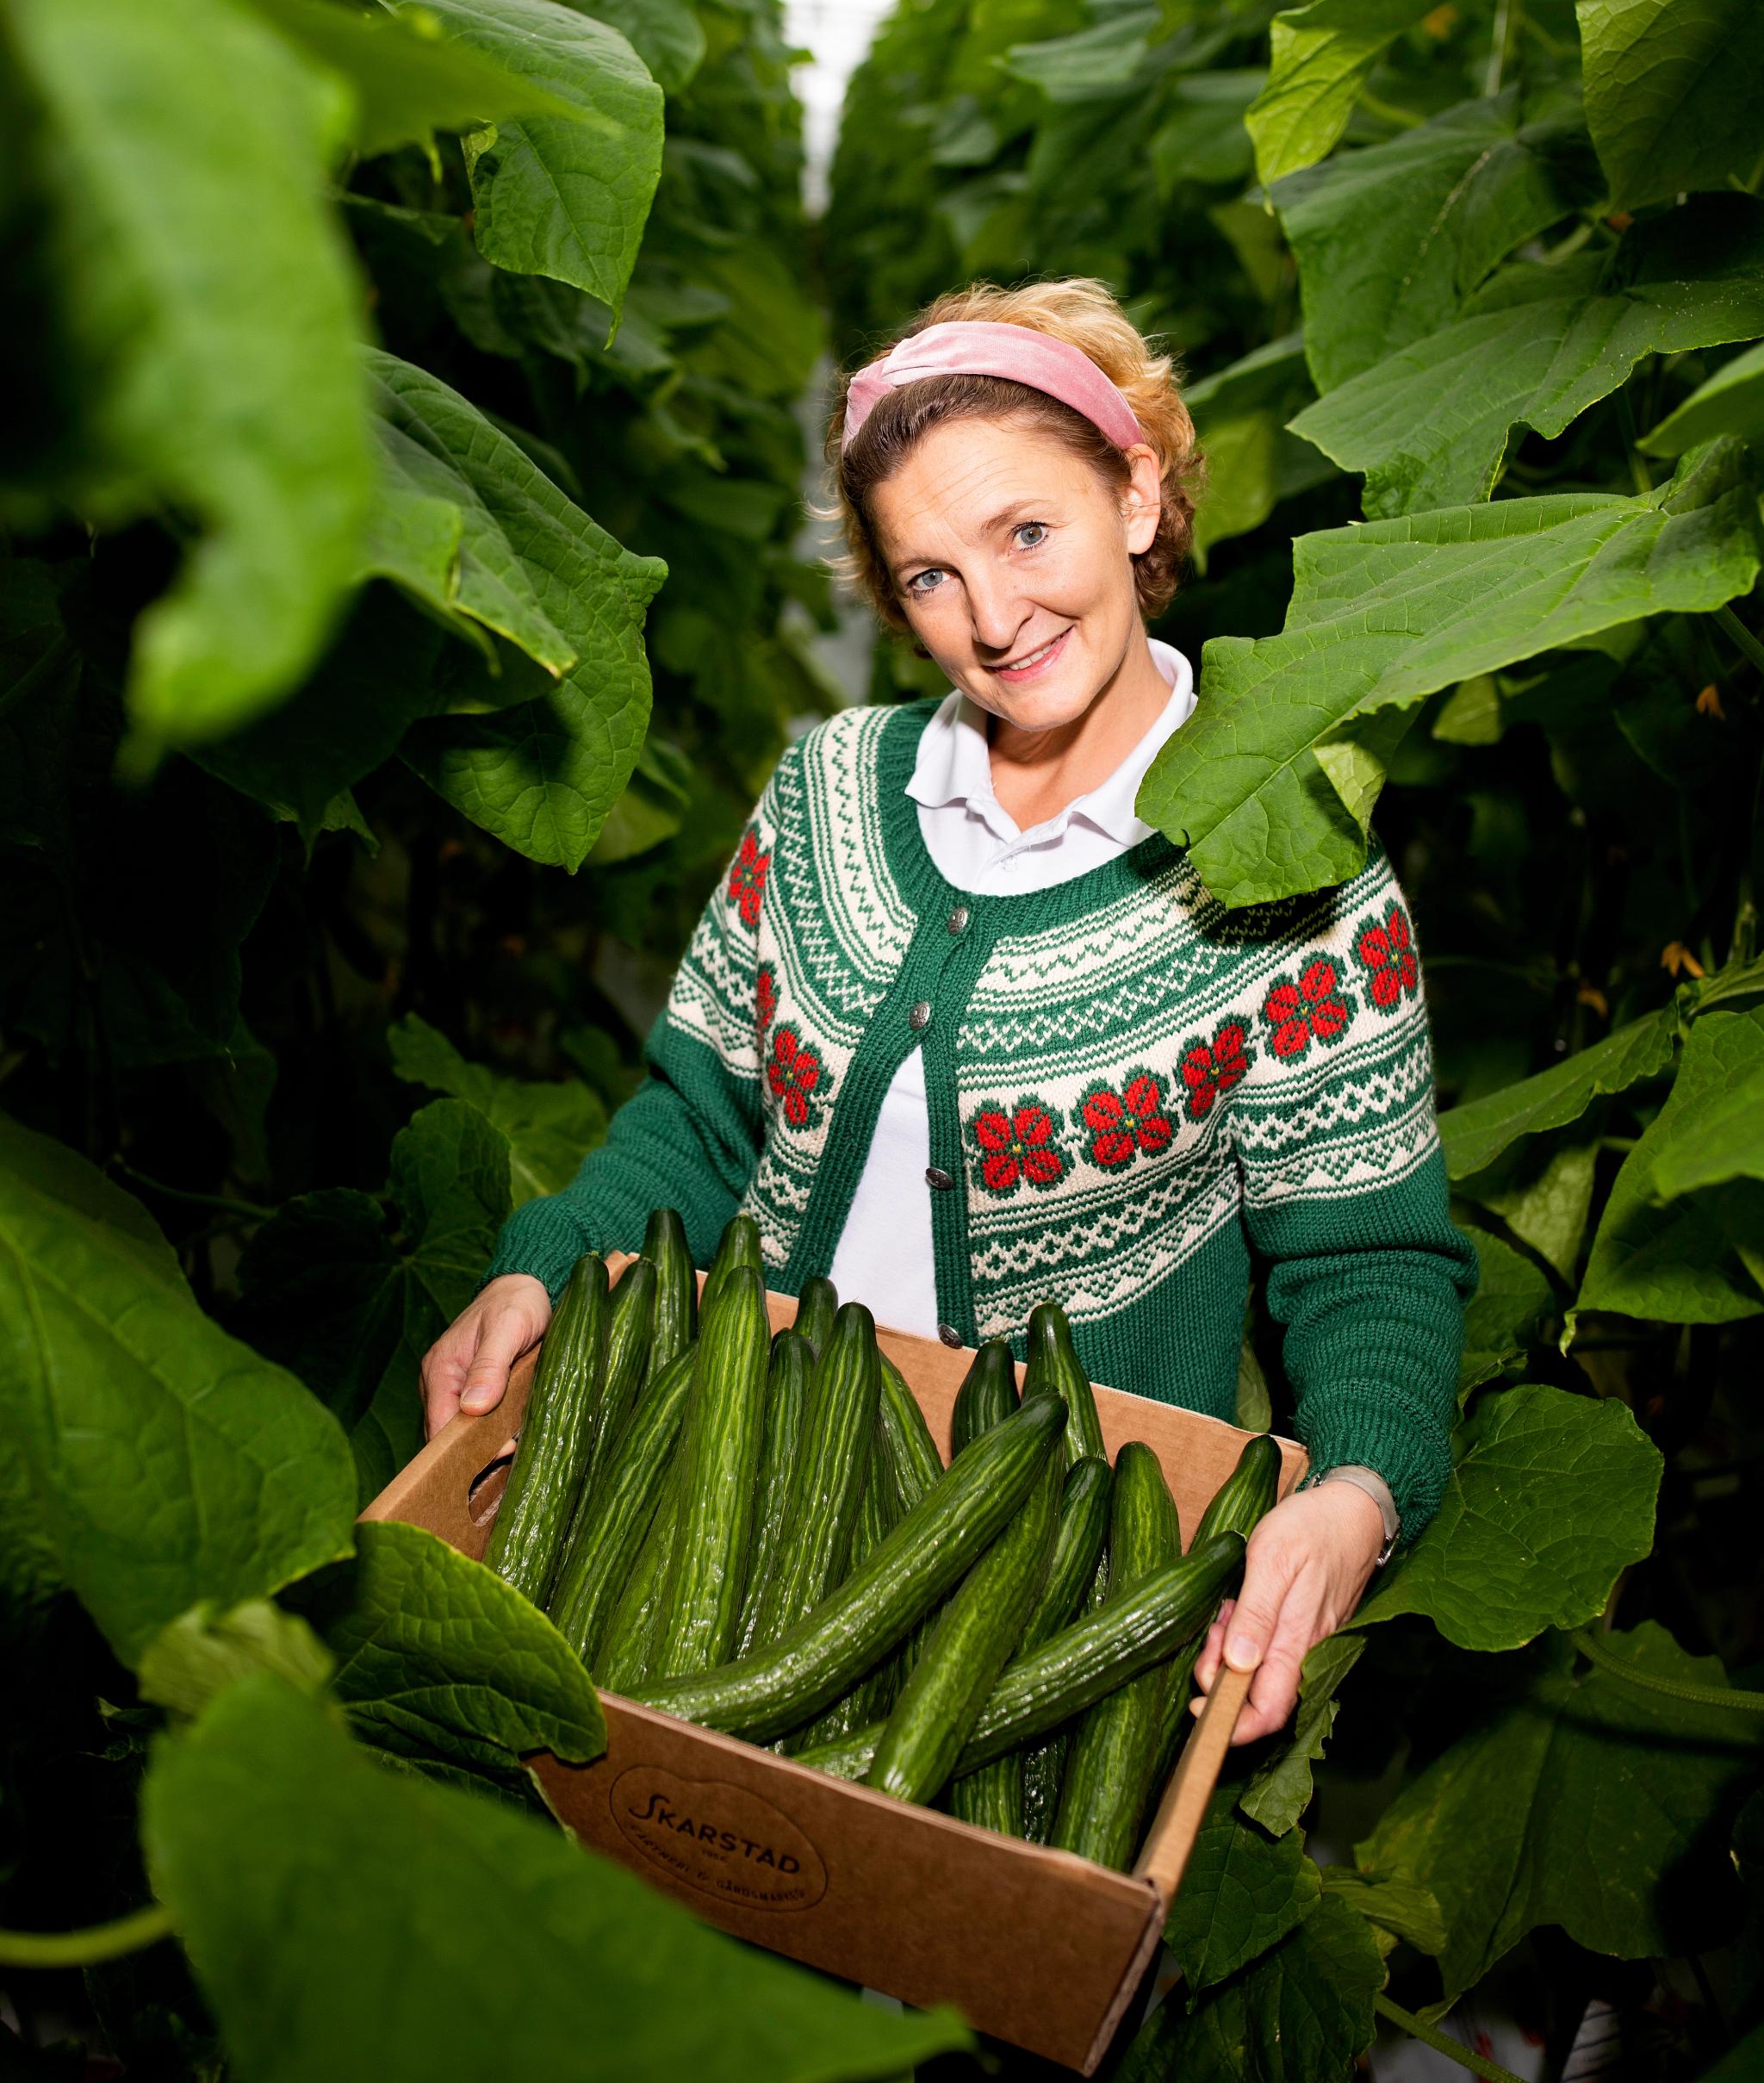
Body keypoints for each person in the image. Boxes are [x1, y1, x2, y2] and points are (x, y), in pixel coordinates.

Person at [422, 278, 1475, 1746]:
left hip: (1048, 1585)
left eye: (1025, 532)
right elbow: (704, 1116)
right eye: (926, 576)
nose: (992, 618)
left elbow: (1369, 1263)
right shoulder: (830, 792)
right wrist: (552, 1261)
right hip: (740, 1512)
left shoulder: (1282, 865)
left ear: (1136, 491)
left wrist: (1360, 1489)